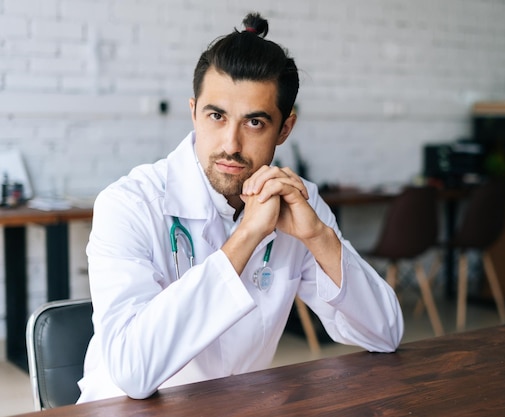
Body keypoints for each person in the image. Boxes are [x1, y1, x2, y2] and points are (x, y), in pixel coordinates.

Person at [77, 12, 403, 403]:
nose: (230, 143)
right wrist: (248, 235)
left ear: (285, 129)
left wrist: (318, 237)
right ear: (194, 112)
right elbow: (133, 373)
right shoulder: (129, 204)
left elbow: (385, 333)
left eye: (254, 123)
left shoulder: (299, 203)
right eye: (216, 116)